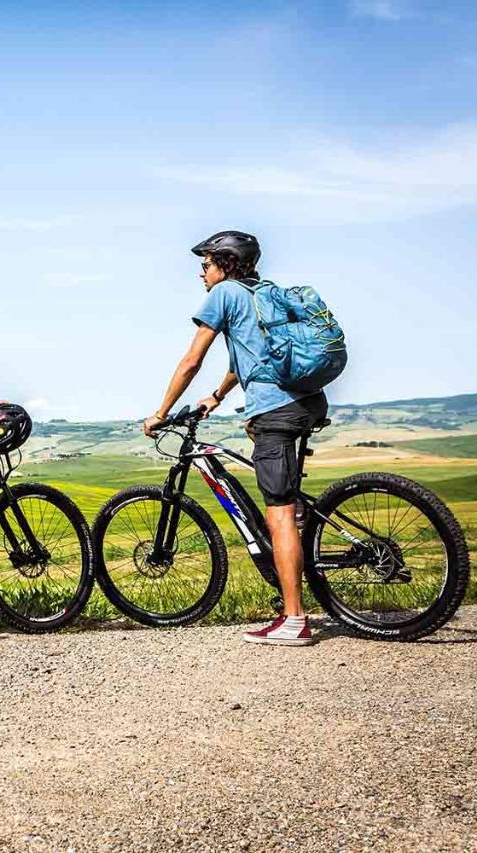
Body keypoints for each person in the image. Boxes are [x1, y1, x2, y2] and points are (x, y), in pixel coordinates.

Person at [143, 230, 328, 646]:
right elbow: (253, 354)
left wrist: (161, 413)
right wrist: (217, 395)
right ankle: (297, 524)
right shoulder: (265, 292)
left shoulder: (224, 293)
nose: (201, 274)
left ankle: (294, 620)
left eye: (206, 265)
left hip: (277, 411)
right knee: (273, 470)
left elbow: (192, 360)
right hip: (309, 401)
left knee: (276, 512)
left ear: (225, 264)